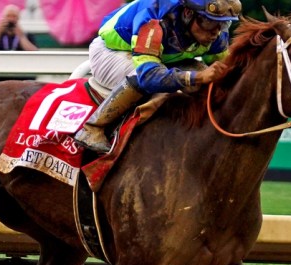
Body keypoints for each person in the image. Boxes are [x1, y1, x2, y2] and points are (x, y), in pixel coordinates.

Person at [74, 0, 241, 153]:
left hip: (158, 58)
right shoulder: (155, 19)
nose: (216, 33)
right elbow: (148, 76)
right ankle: (92, 128)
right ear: (189, 14)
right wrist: (196, 77)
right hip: (113, 52)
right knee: (151, 79)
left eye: (223, 24)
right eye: (209, 22)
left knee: (204, 76)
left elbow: (225, 67)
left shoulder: (216, 33)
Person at [0, 4, 39, 83]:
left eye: (14, 16)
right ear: (3, 18)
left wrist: (21, 36)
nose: (11, 19)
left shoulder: (26, 35)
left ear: (18, 18)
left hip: (22, 77)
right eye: (8, 16)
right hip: (0, 77)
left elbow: (35, 52)